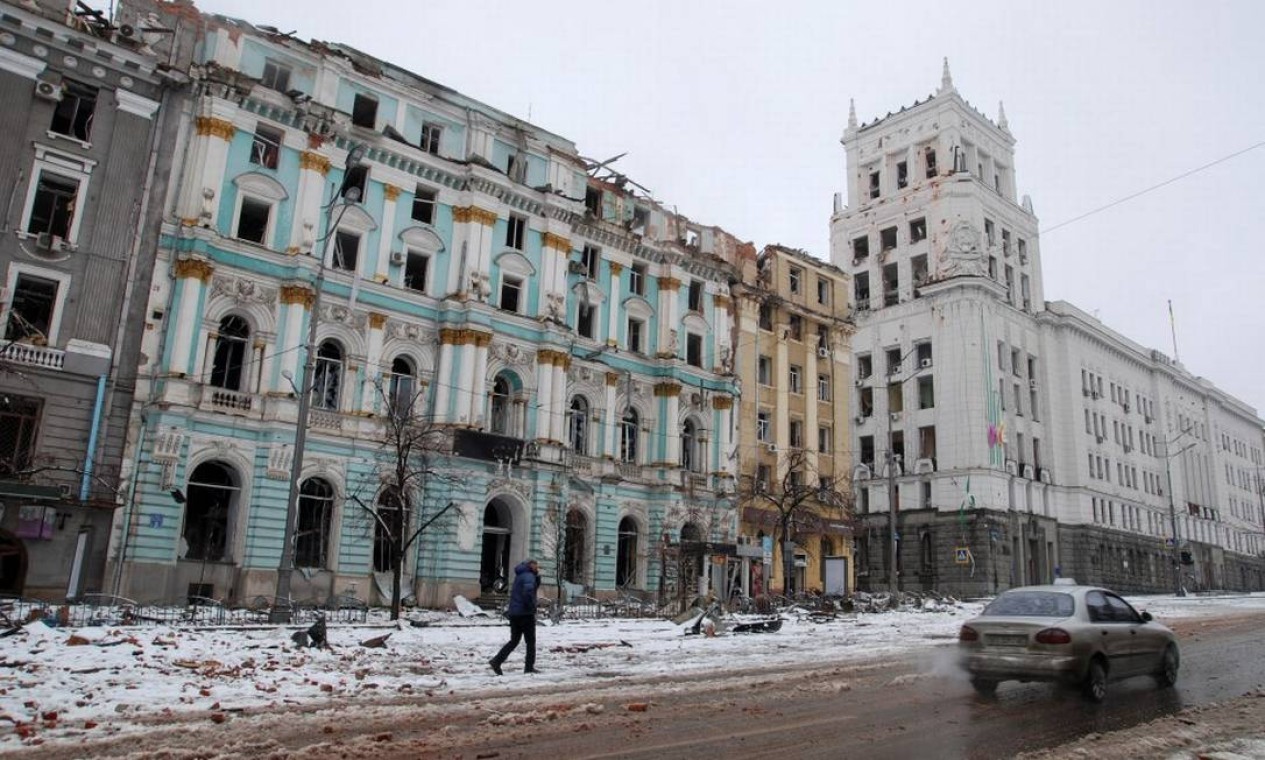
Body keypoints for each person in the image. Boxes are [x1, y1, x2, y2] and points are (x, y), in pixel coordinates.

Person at [489, 558, 540, 675]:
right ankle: (529, 667)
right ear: (531, 565)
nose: (538, 567)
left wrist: (537, 577)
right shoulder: (528, 576)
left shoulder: (521, 575)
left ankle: (497, 661)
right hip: (525, 613)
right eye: (536, 565)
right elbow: (528, 593)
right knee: (530, 641)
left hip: (515, 613)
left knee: (514, 640)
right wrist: (531, 607)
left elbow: (531, 589)